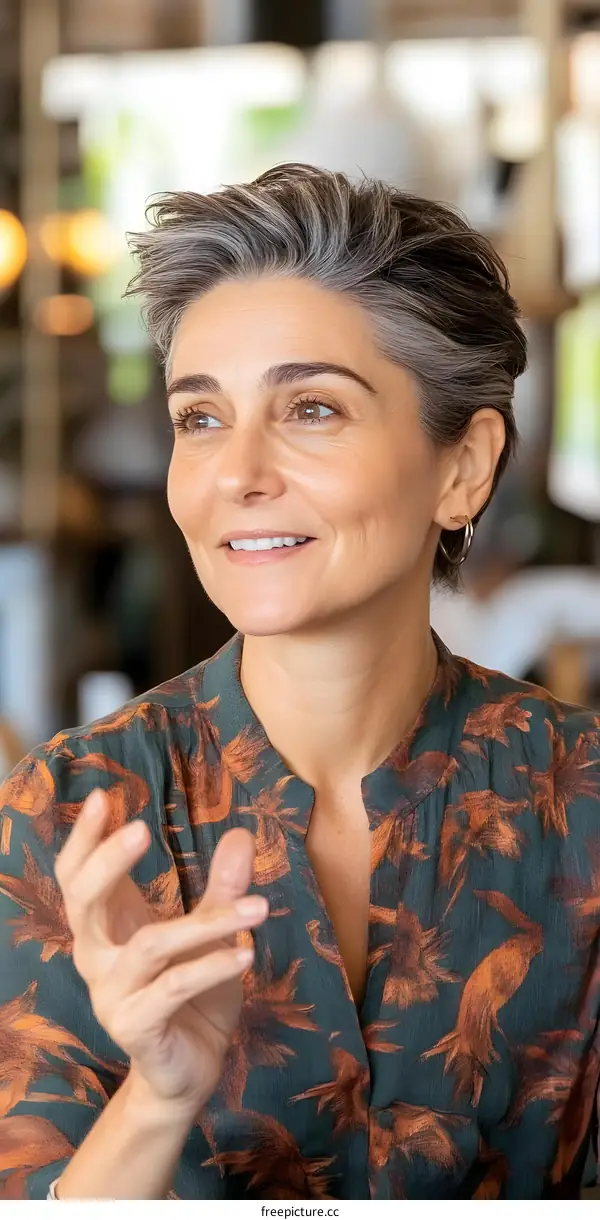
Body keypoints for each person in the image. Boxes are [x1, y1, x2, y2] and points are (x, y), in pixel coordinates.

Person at [0, 163, 598, 1202]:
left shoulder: (581, 799)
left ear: (463, 466)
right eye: (200, 417)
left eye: (312, 408)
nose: (237, 472)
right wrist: (157, 1094)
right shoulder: (74, 812)